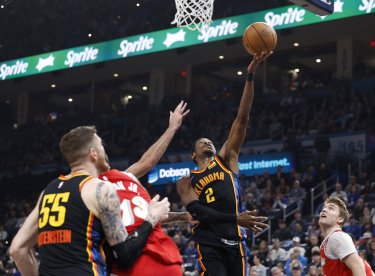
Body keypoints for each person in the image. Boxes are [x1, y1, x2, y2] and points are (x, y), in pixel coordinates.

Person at [10, 126, 170, 275]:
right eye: (101, 146)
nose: (104, 151)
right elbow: (125, 257)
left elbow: (18, 249)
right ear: (93, 153)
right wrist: (152, 217)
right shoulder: (101, 189)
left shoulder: (47, 191)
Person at [176, 51, 272, 276]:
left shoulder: (226, 160)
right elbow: (199, 211)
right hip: (209, 240)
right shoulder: (186, 181)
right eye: (201, 142)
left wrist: (249, 75)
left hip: (235, 238)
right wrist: (235, 218)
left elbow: (242, 117)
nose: (207, 141)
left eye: (209, 140)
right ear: (193, 154)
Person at [100, 101, 191, 275]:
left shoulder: (123, 176)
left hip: (151, 257)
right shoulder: (91, 190)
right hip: (140, 259)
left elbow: (148, 161)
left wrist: (172, 128)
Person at [319, 196, 374, 275]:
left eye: (331, 208)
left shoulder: (337, 236)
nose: (324, 210)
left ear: (340, 219)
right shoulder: (329, 240)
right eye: (324, 208)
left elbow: (358, 267)